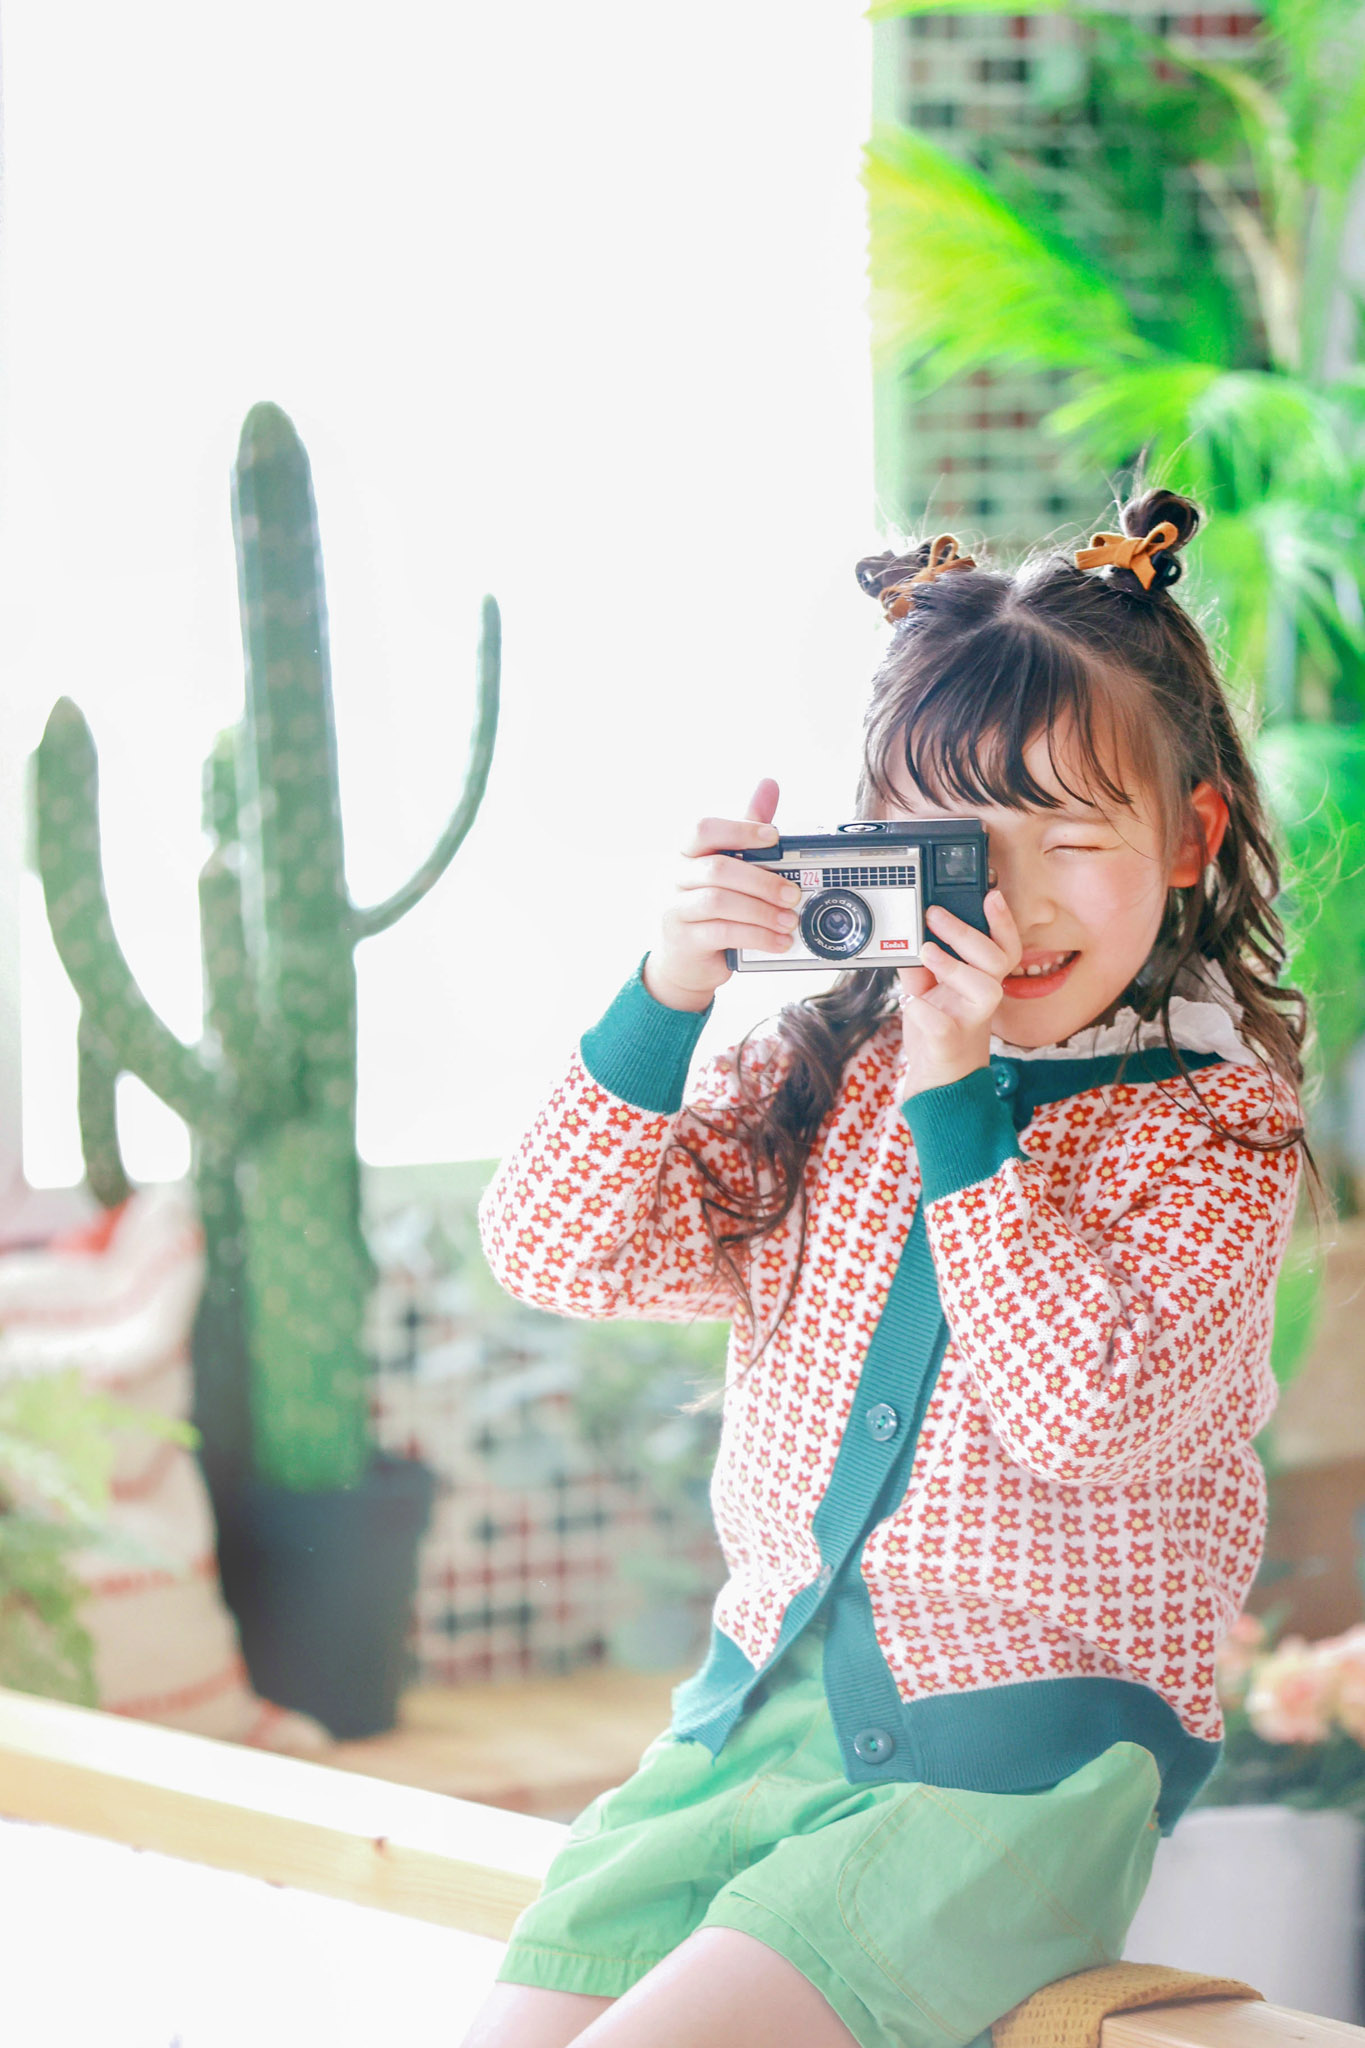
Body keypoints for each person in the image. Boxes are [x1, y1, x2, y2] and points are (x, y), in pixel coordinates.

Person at [462, 487, 1313, 2048]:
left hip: (1016, 1772)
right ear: (874, 843)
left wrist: (958, 1103)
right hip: (748, 1729)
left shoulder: (1212, 1133)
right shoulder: (824, 1071)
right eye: (956, 842)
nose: (1014, 898)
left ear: (1187, 840)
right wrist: (668, 991)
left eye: (1072, 833)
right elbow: (556, 1248)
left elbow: (1084, 1421)